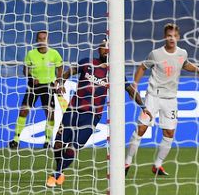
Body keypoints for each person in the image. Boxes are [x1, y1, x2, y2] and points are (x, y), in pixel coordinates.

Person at [46, 40, 150, 187]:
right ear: (98, 49)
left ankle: (56, 173)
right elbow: (70, 72)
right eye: (103, 48)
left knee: (73, 147)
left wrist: (143, 106)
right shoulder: (87, 62)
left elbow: (129, 89)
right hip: (72, 111)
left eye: (109, 48)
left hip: (92, 116)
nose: (106, 51)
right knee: (57, 145)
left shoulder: (115, 71)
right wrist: (60, 82)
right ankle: (60, 171)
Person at [124, 23, 199, 176]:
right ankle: (127, 162)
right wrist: (135, 84)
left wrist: (197, 69)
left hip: (170, 99)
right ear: (164, 37)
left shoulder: (182, 53)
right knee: (141, 129)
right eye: (169, 36)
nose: (172, 38)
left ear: (178, 37)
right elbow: (142, 67)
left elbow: (185, 64)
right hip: (153, 96)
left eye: (174, 36)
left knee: (169, 133)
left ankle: (157, 165)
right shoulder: (156, 54)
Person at [9, 30, 64, 149]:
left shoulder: (54, 54)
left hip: (48, 86)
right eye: (39, 39)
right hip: (33, 86)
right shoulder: (31, 54)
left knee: (50, 113)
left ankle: (48, 141)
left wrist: (57, 81)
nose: (42, 41)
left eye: (44, 38)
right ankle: (15, 140)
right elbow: (25, 69)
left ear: (47, 40)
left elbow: (60, 68)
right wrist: (31, 78)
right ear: (36, 41)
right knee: (24, 110)